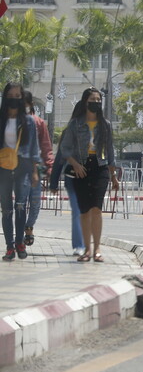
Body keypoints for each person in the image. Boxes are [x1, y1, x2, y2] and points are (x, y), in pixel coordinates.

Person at [60, 88, 119, 262]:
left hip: (100, 168)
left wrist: (113, 175)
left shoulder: (105, 124)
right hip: (81, 168)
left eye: (99, 100)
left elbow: (110, 150)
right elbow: (65, 148)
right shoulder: (75, 124)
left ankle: (97, 249)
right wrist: (75, 164)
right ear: (86, 102)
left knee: (96, 209)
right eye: (93, 99)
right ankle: (87, 249)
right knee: (84, 211)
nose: (96, 103)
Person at [1, 83, 40, 261]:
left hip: (23, 166)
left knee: (20, 206)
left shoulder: (29, 121)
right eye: (11, 95)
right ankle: (9, 246)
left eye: (18, 95)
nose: (14, 98)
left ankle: (20, 243)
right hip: (3, 167)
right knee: (7, 209)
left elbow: (34, 148)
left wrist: (34, 171)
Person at [49, 103, 86, 256]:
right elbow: (60, 158)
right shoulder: (69, 131)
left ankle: (88, 245)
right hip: (72, 177)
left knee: (89, 212)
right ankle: (79, 245)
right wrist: (54, 181)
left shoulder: (98, 129)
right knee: (77, 211)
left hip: (92, 178)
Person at [23, 91, 54, 246]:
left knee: (35, 202)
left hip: (35, 170)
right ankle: (20, 234)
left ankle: (29, 227)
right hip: (18, 170)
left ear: (31, 105)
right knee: (20, 203)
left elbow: (46, 146)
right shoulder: (11, 122)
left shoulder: (39, 123)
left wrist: (50, 166)